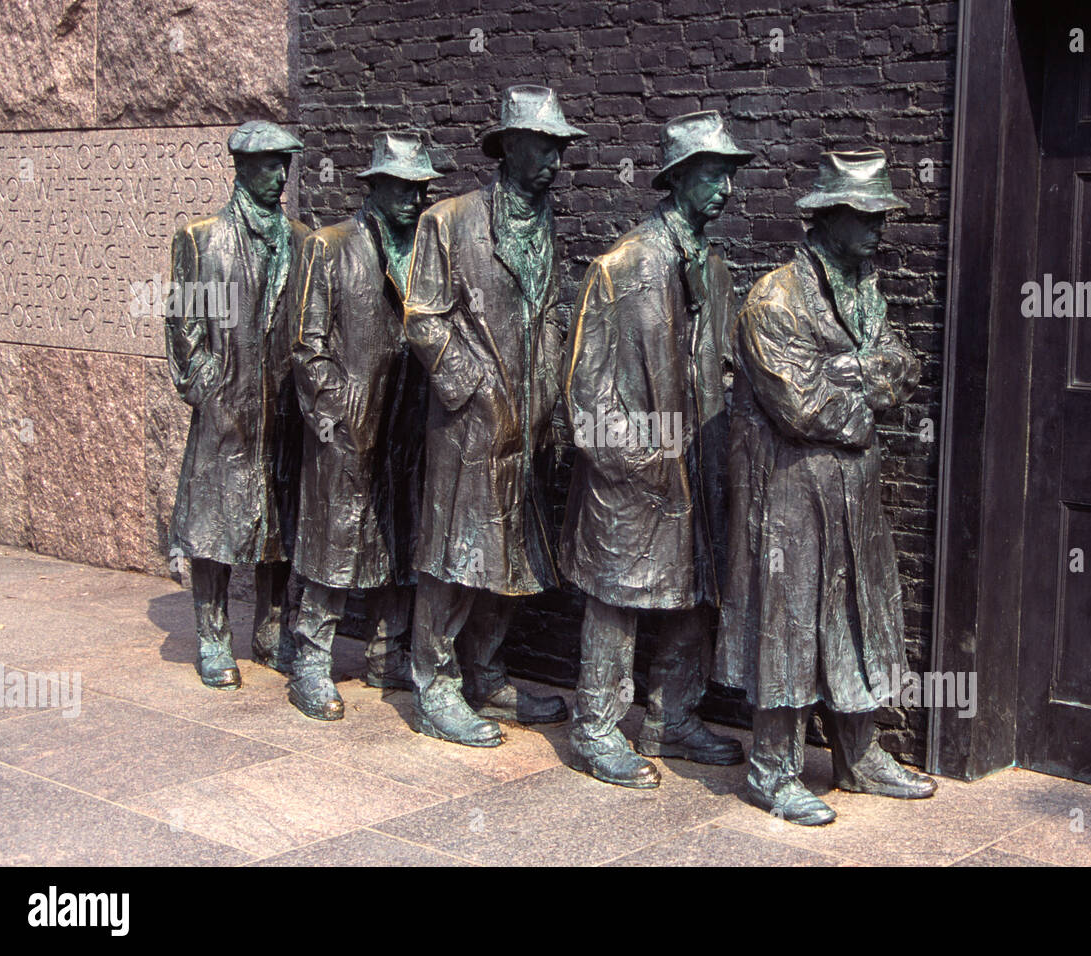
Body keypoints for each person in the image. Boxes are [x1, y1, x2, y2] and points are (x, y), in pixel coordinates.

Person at [715, 148, 937, 825]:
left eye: (881, 217)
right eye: (866, 217)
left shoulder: (868, 291)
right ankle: (772, 768)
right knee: (788, 621)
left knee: (859, 615)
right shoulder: (773, 298)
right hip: (790, 491)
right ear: (829, 217)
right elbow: (803, 405)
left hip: (854, 488)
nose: (879, 231)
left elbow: (904, 371)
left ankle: (858, 755)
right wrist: (860, 384)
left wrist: (858, 375)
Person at [560, 112, 752, 788]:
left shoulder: (718, 269)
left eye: (729, 175)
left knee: (691, 595)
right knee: (618, 600)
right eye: (711, 175)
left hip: (700, 468)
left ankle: (672, 719)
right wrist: (642, 463)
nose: (725, 188)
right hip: (636, 476)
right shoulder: (622, 267)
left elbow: (725, 365)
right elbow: (586, 395)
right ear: (676, 180)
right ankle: (596, 728)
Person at [401, 86, 584, 746]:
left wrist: (554, 397)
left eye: (560, 149)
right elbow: (422, 316)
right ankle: (436, 686)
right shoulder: (448, 222)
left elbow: (553, 313)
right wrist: (472, 384)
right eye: (544, 146)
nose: (555, 161)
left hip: (528, 423)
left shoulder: (547, 223)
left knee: (511, 557)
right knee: (455, 556)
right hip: (470, 426)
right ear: (509, 146)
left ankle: (486, 675)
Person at [289, 132, 441, 720]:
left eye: (420, 187)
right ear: (374, 186)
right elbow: (308, 345)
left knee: (402, 536)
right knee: (336, 539)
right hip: (350, 424)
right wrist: (336, 414)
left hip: (412, 419)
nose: (412, 196)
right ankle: (310, 657)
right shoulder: (332, 247)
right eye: (401, 186)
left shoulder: (431, 250)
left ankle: (388, 653)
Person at [165, 119, 307, 690]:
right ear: (242, 168)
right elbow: (183, 328)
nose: (279, 176)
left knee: (279, 521)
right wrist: (209, 387)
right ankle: (213, 634)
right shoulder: (202, 239)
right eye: (269, 165)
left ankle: (273, 632)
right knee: (213, 524)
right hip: (227, 407)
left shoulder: (301, 238)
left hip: (284, 409)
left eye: (285, 166)